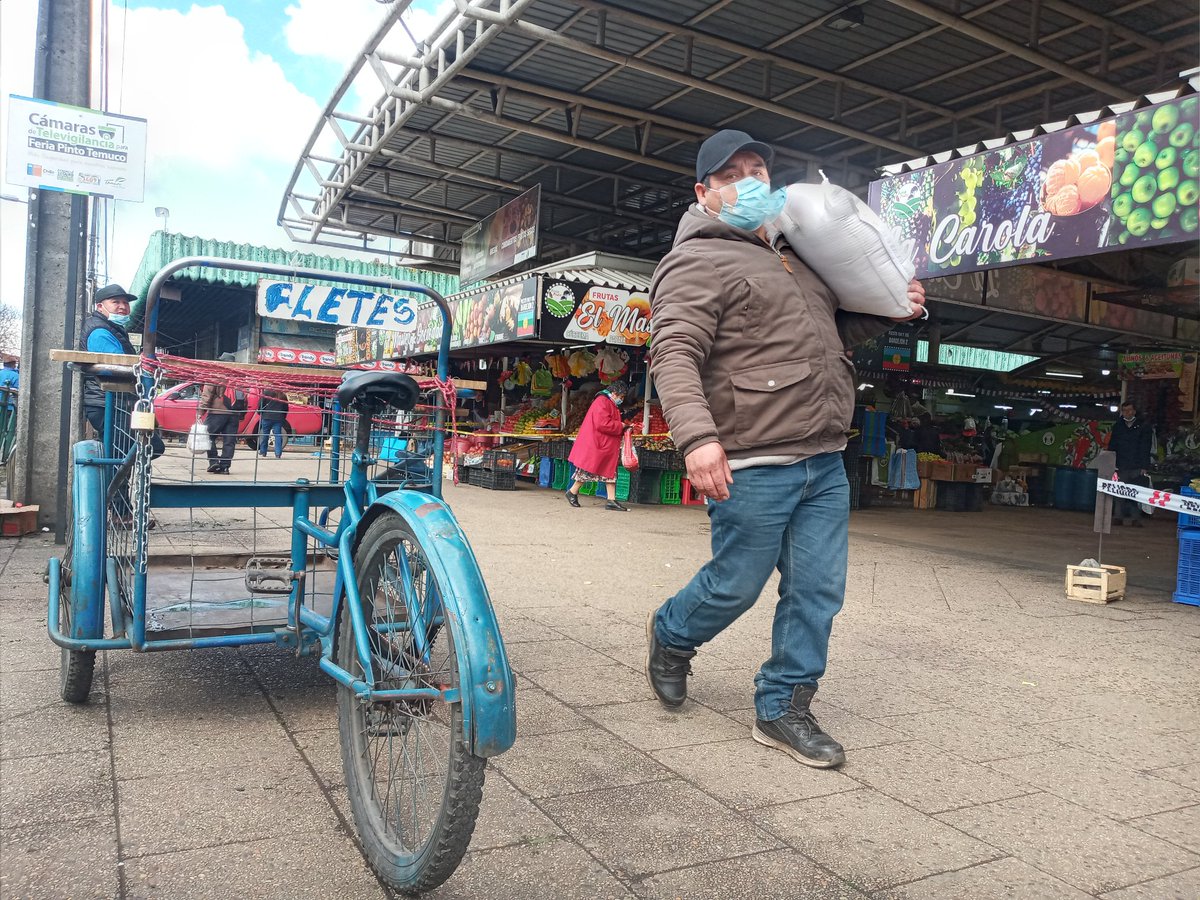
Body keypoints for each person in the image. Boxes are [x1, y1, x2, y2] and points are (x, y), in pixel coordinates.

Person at [645, 129, 926, 769]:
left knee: (818, 590)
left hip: (823, 457)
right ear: (704, 192)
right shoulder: (695, 262)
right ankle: (672, 632)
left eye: (758, 168)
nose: (750, 180)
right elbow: (674, 354)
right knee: (735, 585)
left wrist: (890, 312)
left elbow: (834, 333)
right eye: (732, 173)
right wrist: (697, 439)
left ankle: (783, 707)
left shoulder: (793, 255)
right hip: (752, 458)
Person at [80, 284, 137, 440]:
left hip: (114, 402)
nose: (122, 307)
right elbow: (117, 367)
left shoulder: (112, 328)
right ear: (100, 306)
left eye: (125, 303)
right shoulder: (100, 331)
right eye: (116, 302)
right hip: (107, 403)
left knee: (121, 452)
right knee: (139, 449)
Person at [565, 381, 631, 512]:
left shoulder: (607, 402)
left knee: (610, 472)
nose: (621, 400)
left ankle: (611, 500)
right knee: (588, 471)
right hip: (598, 444)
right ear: (614, 393)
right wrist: (620, 426)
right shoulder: (602, 402)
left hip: (603, 443)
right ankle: (572, 492)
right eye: (621, 397)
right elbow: (603, 423)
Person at [1108, 400, 1153, 527]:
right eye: (1124, 410)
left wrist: (1144, 466)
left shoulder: (1143, 426)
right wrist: (1111, 462)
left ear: (1134, 411)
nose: (1127, 413)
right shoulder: (1118, 426)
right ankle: (1118, 517)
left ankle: (1136, 519)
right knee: (1118, 492)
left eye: (1129, 410)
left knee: (1135, 493)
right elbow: (1113, 444)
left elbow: (1146, 447)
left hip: (1137, 465)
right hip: (1121, 464)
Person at [201, 373, 245, 474]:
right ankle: (225, 467)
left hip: (217, 412)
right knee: (229, 441)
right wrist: (242, 414)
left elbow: (207, 395)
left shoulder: (215, 376)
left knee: (207, 436)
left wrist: (201, 411)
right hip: (234, 413)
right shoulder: (238, 378)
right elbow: (244, 397)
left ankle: (214, 461)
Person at [257, 388, 289, 460]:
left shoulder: (266, 393)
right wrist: (283, 417)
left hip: (267, 417)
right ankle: (278, 453)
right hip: (278, 418)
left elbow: (260, 404)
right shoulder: (283, 395)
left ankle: (263, 451)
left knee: (265, 434)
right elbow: (286, 408)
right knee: (278, 435)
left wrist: (260, 413)